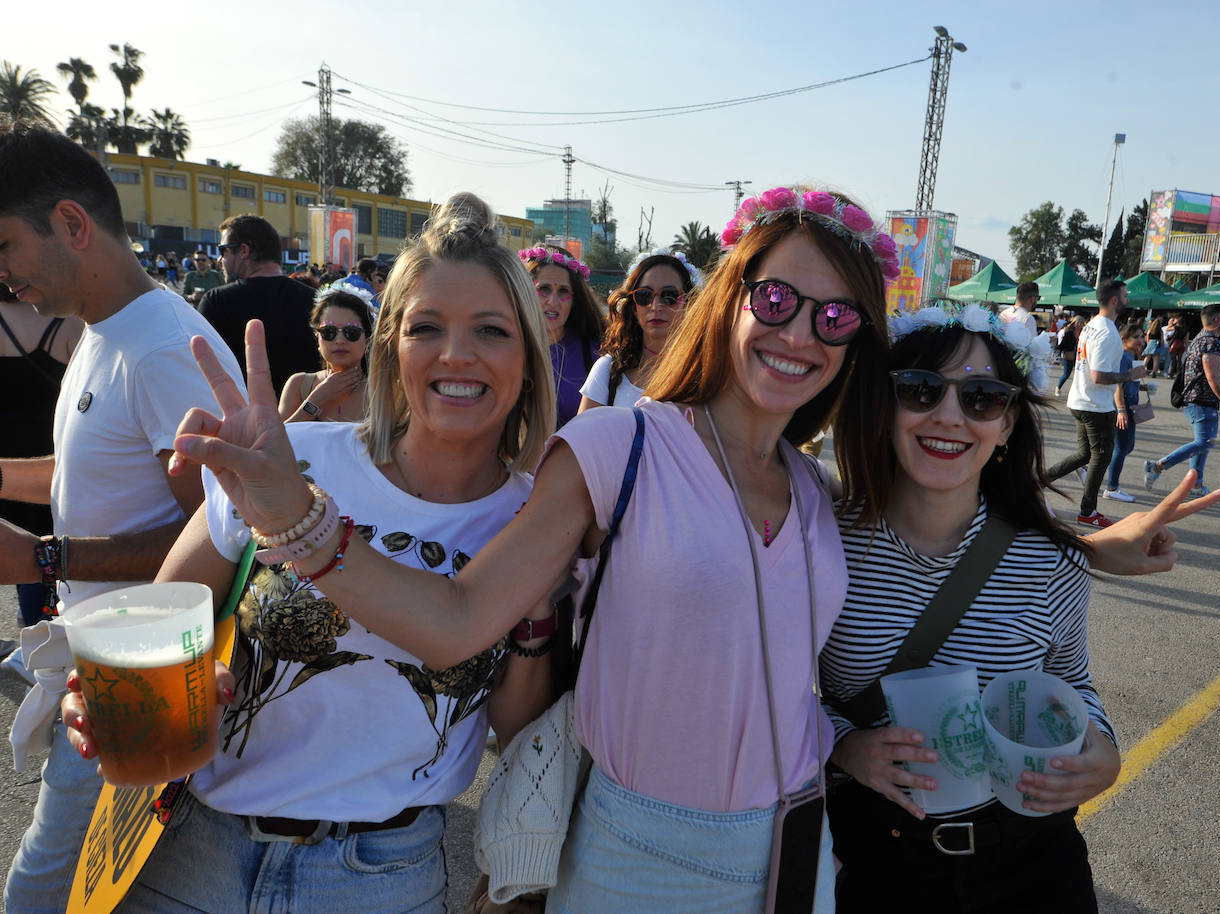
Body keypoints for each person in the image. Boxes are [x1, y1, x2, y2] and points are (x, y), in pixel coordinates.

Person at [168, 184, 906, 912]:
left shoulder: (816, 489)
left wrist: (840, 748)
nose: (801, 333)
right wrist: (297, 518)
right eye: (776, 300)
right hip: (638, 853)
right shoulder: (621, 445)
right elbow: (457, 621)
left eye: (836, 317)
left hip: (793, 842)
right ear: (730, 298)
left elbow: (782, 675)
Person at [62, 191, 558, 910]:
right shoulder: (290, 461)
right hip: (197, 851)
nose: (456, 354)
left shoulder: (534, 518)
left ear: (527, 355)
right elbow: (156, 626)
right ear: (389, 345)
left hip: (381, 874)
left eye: (491, 330)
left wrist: (533, 611)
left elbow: (515, 731)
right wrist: (117, 695)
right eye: (426, 327)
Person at [819, 301, 1214, 914]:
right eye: (920, 390)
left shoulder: (1053, 561)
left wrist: (1103, 751)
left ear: (1006, 424)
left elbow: (1070, 680)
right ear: (884, 404)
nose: (949, 416)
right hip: (874, 854)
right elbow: (777, 695)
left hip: (1030, 858)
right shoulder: (820, 542)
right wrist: (842, 745)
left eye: (981, 397)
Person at [0, 122, 243, 914]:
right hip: (103, 668)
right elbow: (87, 473)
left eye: (5, 246)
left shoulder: (166, 349)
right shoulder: (104, 333)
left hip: (142, 677)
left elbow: (224, 542)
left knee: (51, 887)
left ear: (72, 224)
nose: (3, 275)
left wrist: (42, 559)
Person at [0, 290, 82, 632]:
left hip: (7, 471)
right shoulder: (71, 322)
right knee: (43, 563)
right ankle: (39, 640)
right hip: (50, 471)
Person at [1045, 280, 1146, 528]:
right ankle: (1088, 511)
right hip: (1095, 405)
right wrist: (1130, 376)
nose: (1128, 299)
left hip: (1082, 400)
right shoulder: (1106, 331)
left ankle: (1040, 480)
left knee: (1086, 454)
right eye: (1124, 295)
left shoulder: (1092, 326)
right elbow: (1099, 376)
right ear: (1114, 300)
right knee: (1101, 457)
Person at [198, 214, 319, 396]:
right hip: (308, 417)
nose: (220, 260)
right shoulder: (316, 300)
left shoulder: (216, 302)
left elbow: (200, 370)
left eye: (223, 251)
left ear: (244, 251)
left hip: (245, 419)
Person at [578, 248, 700, 411]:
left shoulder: (705, 374)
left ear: (690, 303)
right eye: (644, 296)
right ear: (634, 307)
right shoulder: (607, 371)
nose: (655, 307)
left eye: (669, 296)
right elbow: (584, 434)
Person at [1145, 303, 1220, 499]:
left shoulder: (1200, 339)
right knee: (1204, 442)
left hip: (1200, 399)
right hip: (1201, 399)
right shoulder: (1210, 342)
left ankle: (1196, 484)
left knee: (1203, 443)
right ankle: (1158, 466)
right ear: (1217, 320)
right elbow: (1212, 376)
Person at [520, 244, 605, 429]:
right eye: (544, 289)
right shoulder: (504, 347)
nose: (553, 301)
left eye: (563, 291)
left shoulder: (597, 353)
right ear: (525, 292)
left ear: (575, 300)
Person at [278, 286, 373, 423]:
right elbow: (278, 440)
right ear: (318, 338)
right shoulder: (299, 385)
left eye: (351, 332)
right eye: (328, 332)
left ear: (367, 340)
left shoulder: (383, 390)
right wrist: (316, 399)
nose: (339, 341)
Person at [1104, 321, 1147, 504]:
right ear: (1123, 339)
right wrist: (1121, 410)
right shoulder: (1122, 357)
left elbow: (1133, 382)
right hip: (1124, 408)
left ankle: (1092, 468)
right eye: (1135, 337)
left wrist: (1145, 388)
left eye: (1141, 336)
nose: (1141, 340)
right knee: (1122, 447)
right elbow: (1118, 387)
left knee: (1126, 447)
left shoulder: (1131, 356)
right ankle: (1112, 487)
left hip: (1131, 407)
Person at [1054, 315, 1082, 395]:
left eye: (1081, 323)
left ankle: (1077, 393)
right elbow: (1063, 344)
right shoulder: (1069, 332)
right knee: (1066, 374)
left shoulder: (1083, 333)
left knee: (1079, 375)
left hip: (1079, 356)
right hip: (1068, 355)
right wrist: (1057, 349)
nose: (1079, 324)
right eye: (1078, 322)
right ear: (1074, 323)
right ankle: (1058, 388)